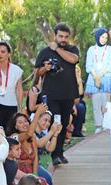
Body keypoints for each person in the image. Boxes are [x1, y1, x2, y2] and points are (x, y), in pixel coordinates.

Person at [34, 23, 80, 166]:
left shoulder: (72, 49)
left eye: (66, 37)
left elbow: (73, 60)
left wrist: (58, 49)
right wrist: (45, 69)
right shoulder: (45, 52)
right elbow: (37, 73)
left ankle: (60, 152)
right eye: (60, 36)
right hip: (51, 95)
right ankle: (53, 154)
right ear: (55, 35)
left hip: (68, 94)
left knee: (64, 123)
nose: (63, 39)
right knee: (55, 122)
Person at [86, 28, 111, 130]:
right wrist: (96, 76)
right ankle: (98, 125)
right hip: (94, 78)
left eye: (106, 37)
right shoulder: (91, 49)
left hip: (106, 77)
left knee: (106, 103)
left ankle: (106, 125)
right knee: (96, 103)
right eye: (102, 37)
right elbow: (89, 65)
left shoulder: (109, 49)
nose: (104, 39)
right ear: (97, 37)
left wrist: (101, 75)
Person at [0, 41, 24, 128]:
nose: (0, 54)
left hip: (11, 105)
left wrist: (20, 108)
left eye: (3, 52)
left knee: (9, 132)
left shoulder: (16, 70)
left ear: (8, 54)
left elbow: (19, 89)